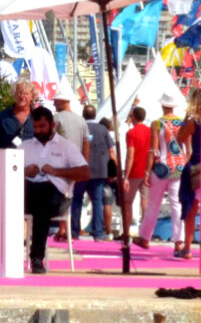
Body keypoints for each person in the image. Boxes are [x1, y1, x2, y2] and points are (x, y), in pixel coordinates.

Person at [19, 107, 89, 274]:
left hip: (57, 196)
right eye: (35, 127)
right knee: (19, 196)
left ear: (52, 125)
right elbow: (9, 170)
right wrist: (24, 171)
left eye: (42, 126)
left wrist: (57, 171)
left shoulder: (66, 147)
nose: (38, 131)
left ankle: (36, 256)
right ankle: (20, 256)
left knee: (42, 201)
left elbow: (85, 173)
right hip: (31, 191)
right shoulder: (25, 146)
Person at [144, 96, 188, 248]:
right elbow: (187, 149)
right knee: (177, 204)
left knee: (153, 203)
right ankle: (179, 241)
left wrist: (146, 171)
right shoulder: (182, 123)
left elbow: (153, 149)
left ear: (162, 106)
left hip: (162, 166)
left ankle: (145, 237)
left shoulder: (157, 123)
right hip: (180, 166)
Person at [50, 84, 87, 242]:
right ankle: (64, 230)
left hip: (59, 163)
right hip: (76, 164)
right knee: (69, 196)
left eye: (55, 101)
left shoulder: (56, 119)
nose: (53, 104)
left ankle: (63, 229)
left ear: (60, 101)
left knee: (60, 196)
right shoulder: (81, 120)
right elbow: (86, 143)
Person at [76, 102, 114, 241]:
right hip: (99, 170)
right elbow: (111, 151)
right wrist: (113, 171)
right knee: (97, 201)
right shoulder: (103, 130)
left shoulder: (80, 127)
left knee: (77, 200)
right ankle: (98, 233)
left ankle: (74, 232)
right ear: (95, 115)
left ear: (83, 115)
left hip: (81, 169)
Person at [174, 91, 201, 259]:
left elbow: (180, 138)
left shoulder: (194, 123)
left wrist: (186, 120)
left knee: (191, 207)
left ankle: (187, 248)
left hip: (196, 166)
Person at [121, 105, 153, 248]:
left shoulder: (131, 133)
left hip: (134, 172)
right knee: (145, 202)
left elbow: (130, 155)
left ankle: (126, 232)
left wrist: (125, 175)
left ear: (133, 116)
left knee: (128, 203)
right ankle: (145, 234)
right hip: (148, 171)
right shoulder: (150, 131)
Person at [0, 80, 36, 149]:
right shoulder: (3, 116)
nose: (22, 96)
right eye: (19, 93)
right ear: (14, 94)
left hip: (32, 158)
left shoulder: (38, 116)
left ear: (32, 96)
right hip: (9, 158)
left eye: (25, 94)